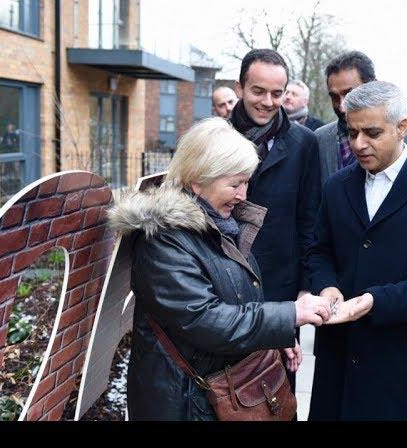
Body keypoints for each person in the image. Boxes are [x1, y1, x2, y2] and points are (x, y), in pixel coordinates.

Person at [108, 118, 331, 420]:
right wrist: (290, 314)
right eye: (234, 183)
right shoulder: (163, 240)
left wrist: (275, 336)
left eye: (246, 182)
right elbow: (204, 320)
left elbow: (238, 296)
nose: (243, 195)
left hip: (211, 393)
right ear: (198, 180)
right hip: (184, 402)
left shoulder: (221, 223)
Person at [307, 81, 407, 420]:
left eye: (372, 133)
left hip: (402, 361)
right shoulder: (336, 187)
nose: (359, 144)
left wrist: (375, 301)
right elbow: (319, 250)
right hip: (339, 359)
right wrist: (327, 284)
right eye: (352, 133)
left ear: (402, 128)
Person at [228, 49, 322, 395]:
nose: (268, 102)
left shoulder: (304, 144)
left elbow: (310, 219)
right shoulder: (212, 138)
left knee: (277, 392)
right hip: (224, 285)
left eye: (277, 93)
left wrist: (306, 285)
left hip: (280, 290)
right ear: (240, 88)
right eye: (258, 91)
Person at [316, 51, 407, 185]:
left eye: (350, 94)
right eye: (334, 96)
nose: (342, 107)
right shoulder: (320, 138)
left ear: (373, 85)